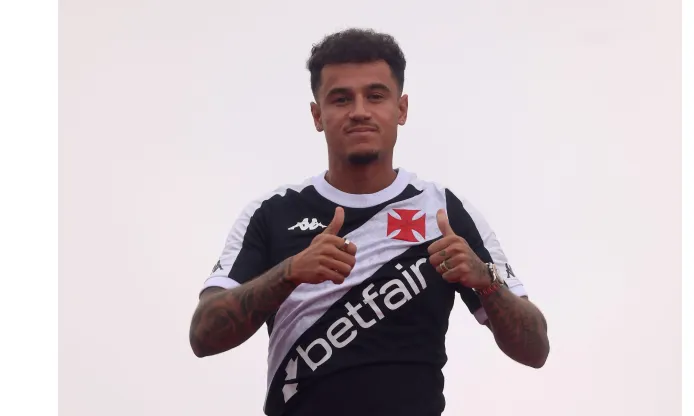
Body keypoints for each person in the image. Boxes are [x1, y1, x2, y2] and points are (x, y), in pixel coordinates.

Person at [189, 28, 550, 416]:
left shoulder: (443, 209)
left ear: (401, 109)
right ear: (317, 115)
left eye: (375, 96)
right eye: (341, 98)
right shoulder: (272, 213)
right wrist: (290, 272)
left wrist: (487, 281)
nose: (359, 110)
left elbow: (535, 349)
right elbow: (203, 335)